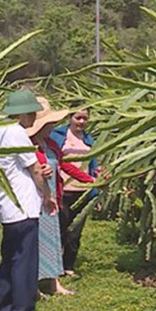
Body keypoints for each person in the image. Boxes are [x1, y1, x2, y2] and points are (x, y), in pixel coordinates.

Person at [0, 89, 57, 311]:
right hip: (23, 206)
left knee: (9, 257)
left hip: (6, 205)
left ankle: (4, 305)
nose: (33, 119)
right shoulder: (16, 133)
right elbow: (35, 170)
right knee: (25, 261)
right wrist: (47, 195)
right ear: (24, 114)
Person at [26, 97, 96, 295]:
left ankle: (54, 283)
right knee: (37, 242)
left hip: (52, 199)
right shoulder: (30, 145)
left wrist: (90, 180)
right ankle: (34, 284)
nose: (53, 126)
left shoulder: (50, 144)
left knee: (52, 240)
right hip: (37, 200)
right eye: (49, 123)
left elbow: (65, 165)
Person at [50, 106, 100, 275]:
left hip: (83, 190)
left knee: (75, 231)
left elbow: (93, 165)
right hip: (64, 189)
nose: (81, 122)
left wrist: (96, 185)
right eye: (78, 118)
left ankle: (68, 266)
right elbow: (57, 160)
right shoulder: (57, 136)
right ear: (70, 117)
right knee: (60, 228)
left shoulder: (89, 139)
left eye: (85, 118)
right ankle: (54, 265)